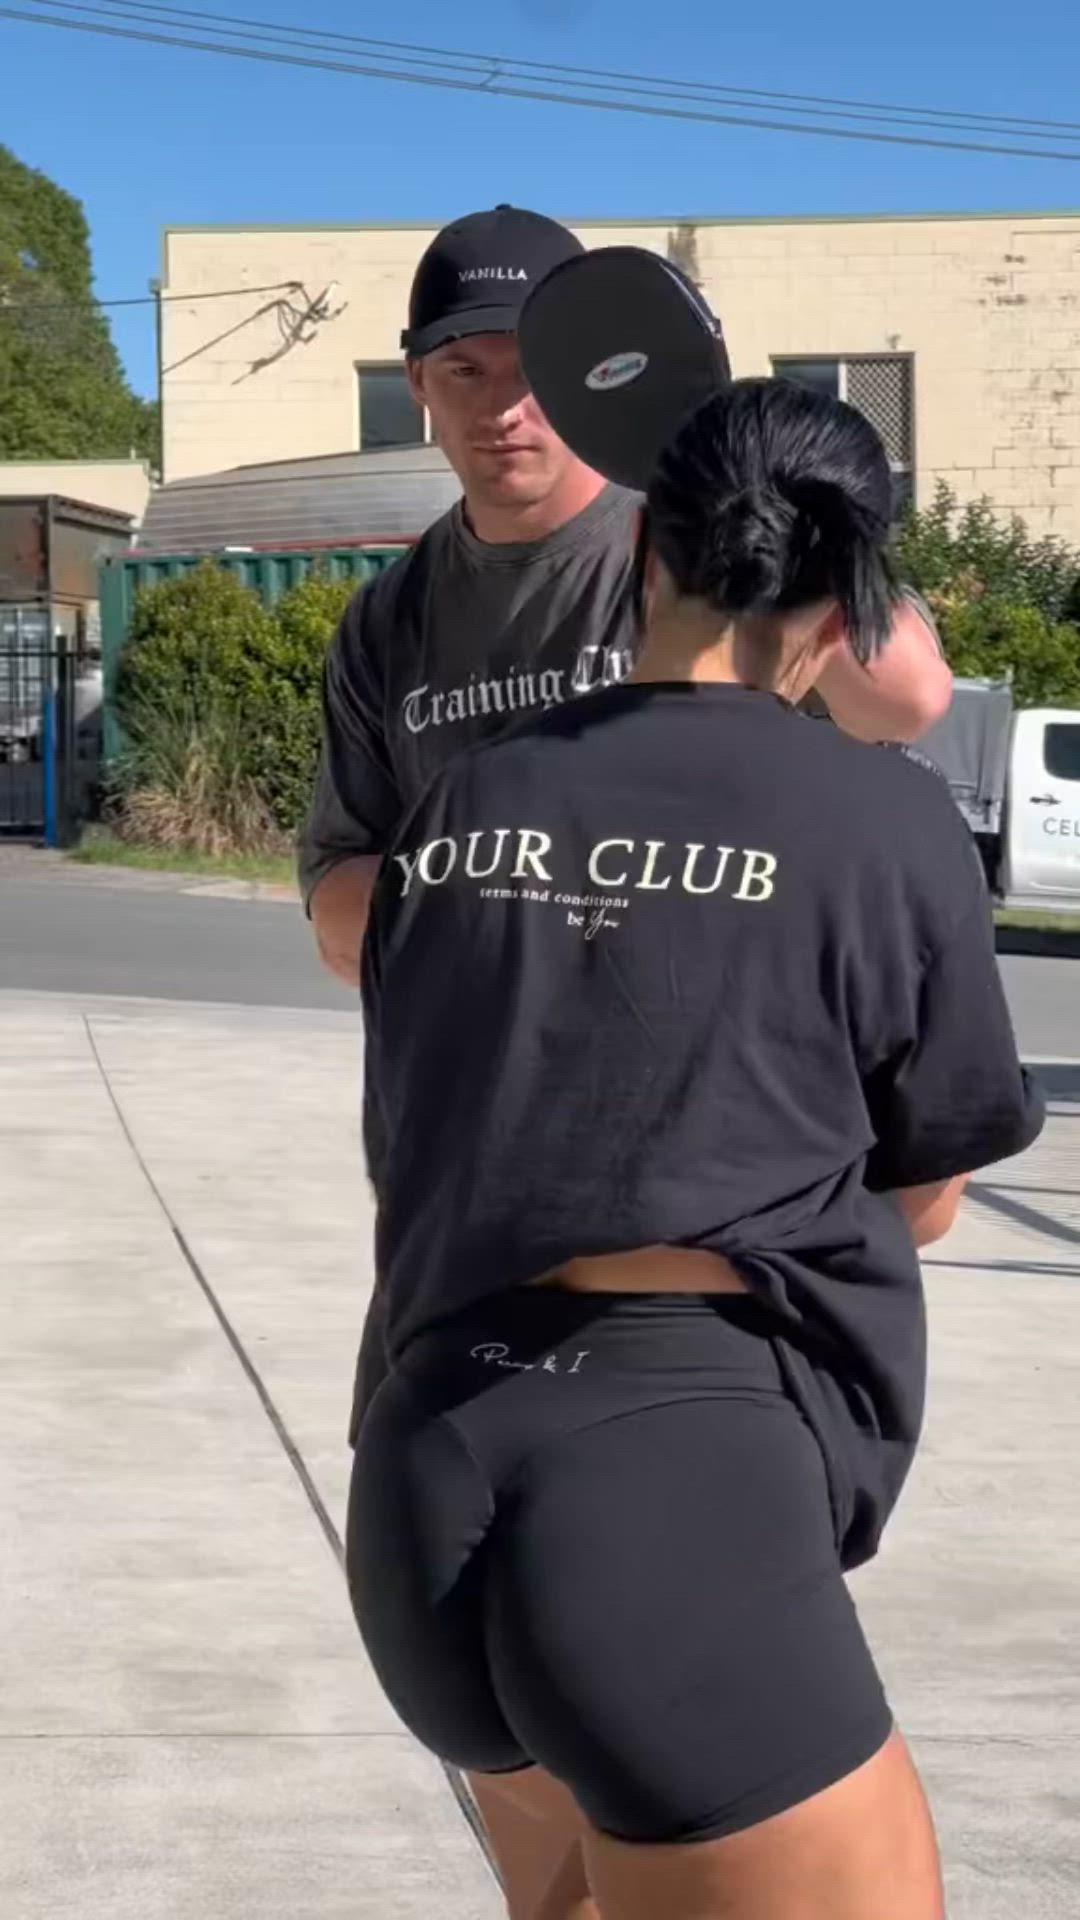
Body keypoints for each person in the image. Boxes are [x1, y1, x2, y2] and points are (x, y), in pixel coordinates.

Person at [299, 205, 953, 1916]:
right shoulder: (395, 625)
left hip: (445, 1429)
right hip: (629, 1429)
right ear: (421, 392)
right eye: (462, 372)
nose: (504, 407)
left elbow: (908, 694)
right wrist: (597, 921)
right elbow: (930, 1187)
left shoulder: (657, 551)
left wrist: (735, 493)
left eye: (535, 375)